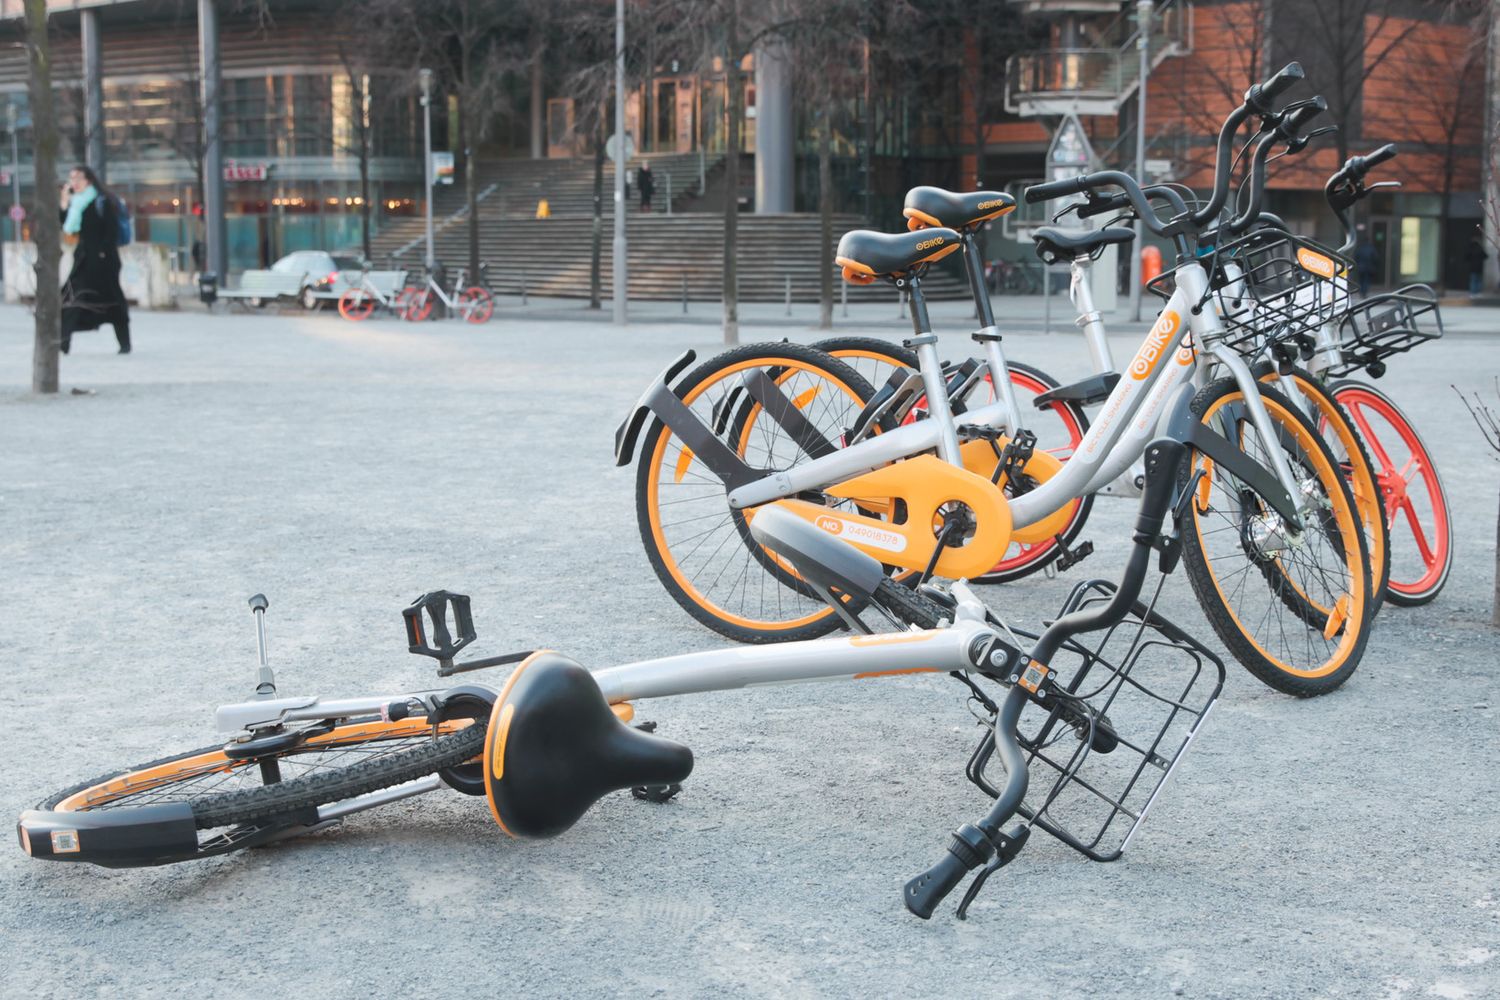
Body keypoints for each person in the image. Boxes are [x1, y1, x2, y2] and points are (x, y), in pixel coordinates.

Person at [58, 165, 130, 354]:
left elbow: (111, 229)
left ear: (88, 180)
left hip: (103, 262)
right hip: (83, 260)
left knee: (113, 301)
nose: (73, 182)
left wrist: (103, 253)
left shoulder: (101, 200)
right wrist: (64, 203)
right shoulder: (77, 202)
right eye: (71, 178)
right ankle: (63, 343)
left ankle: (125, 343)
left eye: (77, 178)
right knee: (70, 299)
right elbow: (69, 228)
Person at [1353, 232, 1379, 297]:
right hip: (1368, 267)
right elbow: (1375, 258)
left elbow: (1355, 257)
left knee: (1361, 281)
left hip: (1360, 267)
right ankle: (1364, 293)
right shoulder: (1371, 248)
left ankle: (1361, 292)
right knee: (1366, 281)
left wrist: (1357, 264)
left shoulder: (1360, 248)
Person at [1466, 231, 1489, 295]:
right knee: (1478, 280)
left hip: (1472, 267)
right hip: (1479, 267)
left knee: (1473, 280)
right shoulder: (1480, 248)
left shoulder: (1470, 248)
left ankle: (1473, 293)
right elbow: (1486, 256)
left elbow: (1467, 257)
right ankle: (1478, 292)